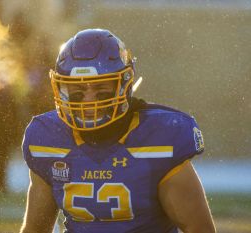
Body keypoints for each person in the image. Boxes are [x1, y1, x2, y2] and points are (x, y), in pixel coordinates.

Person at [19, 29, 216, 233]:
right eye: (77, 90)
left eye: (101, 89)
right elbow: (35, 229)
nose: (88, 102)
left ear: (124, 85)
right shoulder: (47, 137)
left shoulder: (161, 136)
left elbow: (199, 229)